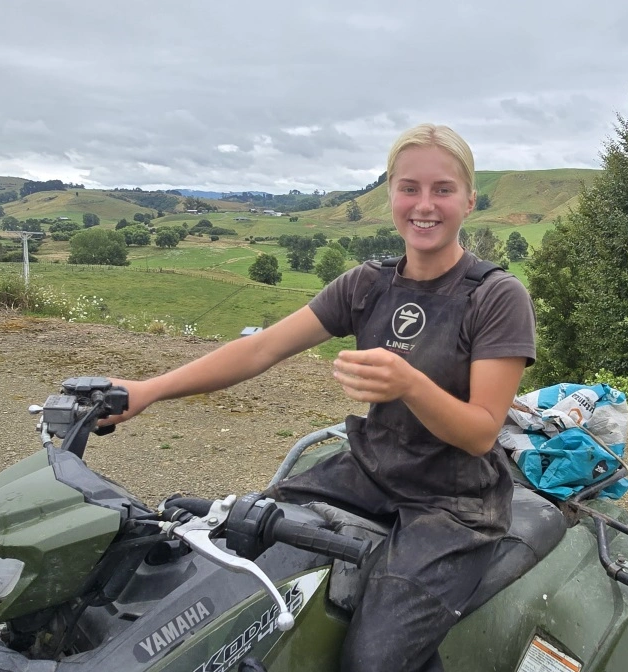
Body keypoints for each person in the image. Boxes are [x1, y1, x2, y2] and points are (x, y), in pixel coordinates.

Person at [104, 123, 536, 671]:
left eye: (443, 190)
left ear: (469, 200)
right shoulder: (367, 284)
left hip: (454, 501)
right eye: (409, 188)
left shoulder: (496, 296)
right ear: (390, 196)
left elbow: (480, 431)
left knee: (373, 659)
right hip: (371, 470)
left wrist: (409, 384)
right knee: (245, 545)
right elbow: (260, 350)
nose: (424, 205)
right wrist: (148, 390)